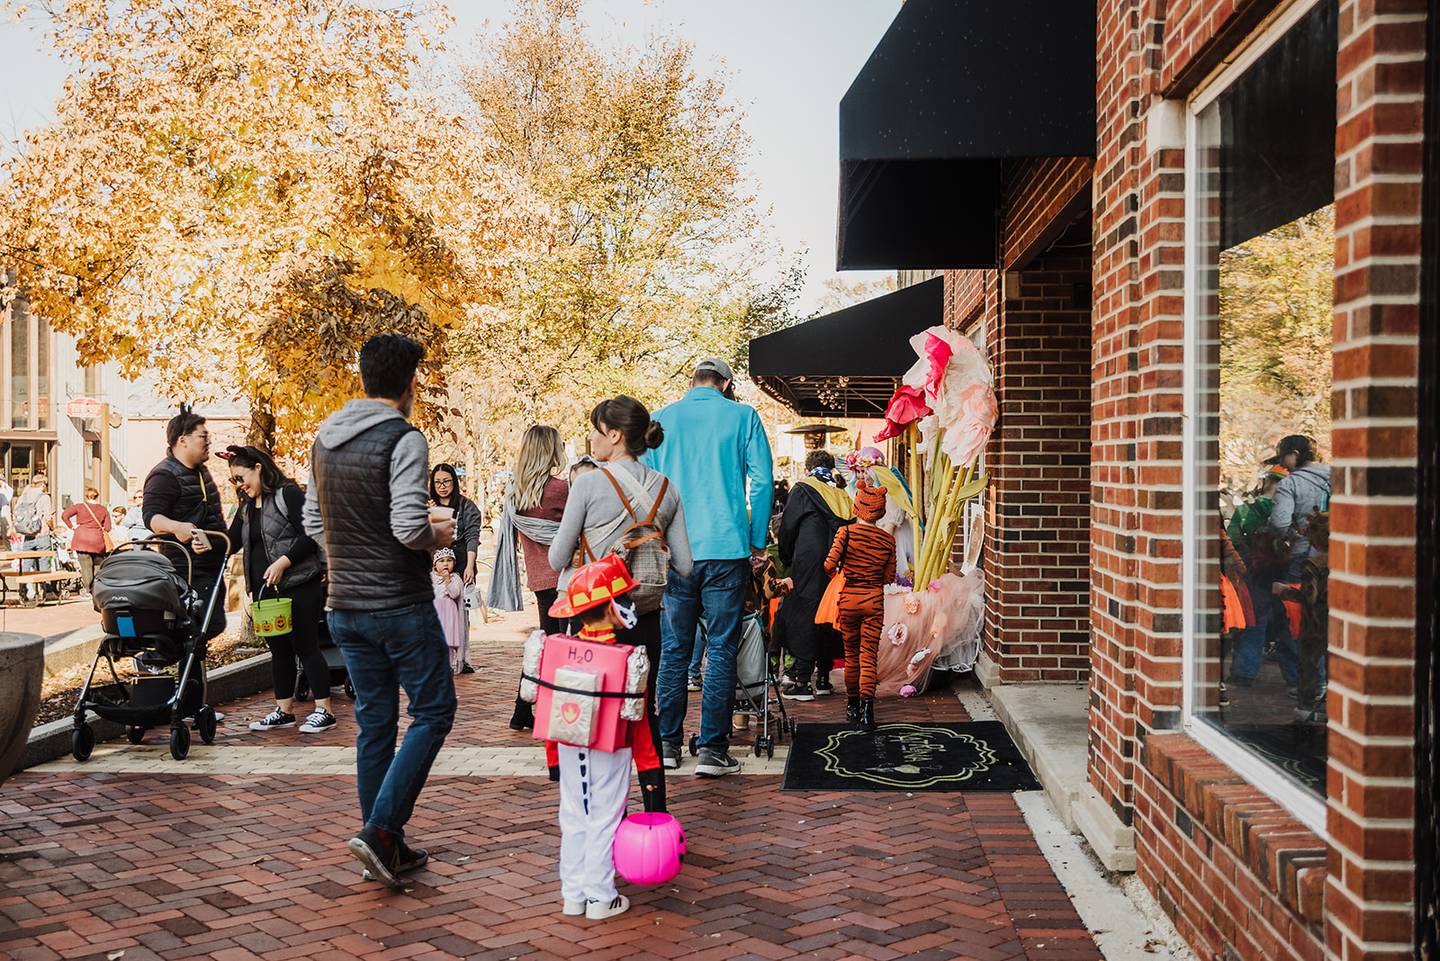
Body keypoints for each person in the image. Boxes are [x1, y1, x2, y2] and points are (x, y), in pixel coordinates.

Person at [303, 333, 457, 890]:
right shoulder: (404, 439)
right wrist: (439, 529)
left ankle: (383, 843)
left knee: (375, 724)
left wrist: (348, 557)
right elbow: (408, 527)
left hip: (345, 605)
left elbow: (314, 524)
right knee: (435, 711)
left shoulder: (324, 438)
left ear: (364, 378)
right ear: (409, 383)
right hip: (400, 604)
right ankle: (382, 829)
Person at [549, 396, 692, 782]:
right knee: (643, 713)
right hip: (644, 618)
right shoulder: (667, 488)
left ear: (614, 435)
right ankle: (653, 806)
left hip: (594, 621)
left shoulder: (588, 483)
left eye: (596, 431)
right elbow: (685, 564)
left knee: (589, 712)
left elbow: (557, 557)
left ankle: (600, 808)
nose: (592, 439)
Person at [645, 358, 773, 776]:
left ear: (692, 381)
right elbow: (763, 480)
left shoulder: (660, 419)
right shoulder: (743, 416)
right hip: (726, 547)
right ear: (727, 383)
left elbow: (645, 484)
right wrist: (756, 541)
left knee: (675, 649)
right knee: (720, 647)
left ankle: (666, 743)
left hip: (676, 549)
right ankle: (713, 751)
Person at [541, 555, 664, 921]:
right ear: (611, 609)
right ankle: (600, 896)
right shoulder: (628, 659)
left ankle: (573, 894)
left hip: (567, 742)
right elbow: (640, 722)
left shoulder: (560, 650)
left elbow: (550, 707)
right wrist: (650, 770)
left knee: (573, 814)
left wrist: (551, 758)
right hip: (613, 748)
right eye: (623, 599)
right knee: (605, 816)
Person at [224, 445, 335, 735]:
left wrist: (283, 563)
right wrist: (203, 541)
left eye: (241, 477)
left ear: (258, 468)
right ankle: (284, 711)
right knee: (279, 649)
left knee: (306, 645)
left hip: (299, 583)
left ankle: (324, 709)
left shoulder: (288, 494)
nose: (239, 484)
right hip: (266, 591)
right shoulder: (247, 507)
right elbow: (231, 540)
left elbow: (311, 533)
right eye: (234, 480)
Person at [493, 425, 569, 731]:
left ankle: (522, 708)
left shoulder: (516, 493)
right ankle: (554, 712)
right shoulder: (560, 489)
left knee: (548, 643)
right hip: (565, 579)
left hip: (539, 579)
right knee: (562, 648)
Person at [143, 409, 229, 638]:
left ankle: (185, 671)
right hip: (188, 568)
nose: (208, 441)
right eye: (202, 436)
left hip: (212, 565)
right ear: (183, 440)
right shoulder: (164, 475)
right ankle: (154, 656)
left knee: (200, 633)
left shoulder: (200, 470)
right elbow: (151, 517)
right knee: (204, 627)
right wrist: (177, 528)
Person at [776, 451, 853, 700]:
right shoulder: (841, 494)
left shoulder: (801, 489)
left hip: (807, 562)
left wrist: (786, 558)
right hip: (836, 561)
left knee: (804, 614)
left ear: (809, 467)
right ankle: (823, 677)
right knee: (829, 614)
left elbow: (787, 528)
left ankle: (802, 681)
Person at [824, 482, 896, 732]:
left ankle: (852, 704)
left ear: (857, 507)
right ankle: (868, 710)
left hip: (849, 598)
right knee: (869, 656)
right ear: (881, 512)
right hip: (874, 600)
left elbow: (828, 565)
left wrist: (842, 571)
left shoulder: (846, 533)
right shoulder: (888, 540)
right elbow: (889, 577)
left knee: (851, 655)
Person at [429, 463, 483, 589]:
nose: (442, 486)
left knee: (461, 604)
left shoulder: (467, 506)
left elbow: (472, 538)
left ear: (454, 481)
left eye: (446, 481)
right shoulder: (427, 505)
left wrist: (469, 567)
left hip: (461, 563)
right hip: (434, 567)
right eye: (437, 482)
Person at [61, 487, 113, 594]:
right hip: (97, 540)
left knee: (86, 566)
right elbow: (108, 528)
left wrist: (72, 526)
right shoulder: (103, 509)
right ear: (97, 496)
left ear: (86, 496)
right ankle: (97, 587)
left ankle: (88, 589)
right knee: (97, 565)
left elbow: (64, 515)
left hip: (81, 539)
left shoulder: (79, 507)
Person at [13, 473, 56, 601]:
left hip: (27, 535)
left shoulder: (24, 496)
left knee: (26, 563)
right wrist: (52, 528)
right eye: (46, 484)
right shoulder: (44, 497)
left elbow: (16, 512)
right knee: (44, 563)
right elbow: (48, 517)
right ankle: (45, 592)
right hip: (42, 534)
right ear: (43, 484)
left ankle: (22, 591)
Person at [432, 548, 467, 673]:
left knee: (448, 642)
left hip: (449, 614)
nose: (446, 564)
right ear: (435, 564)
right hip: (435, 613)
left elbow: (454, 594)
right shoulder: (431, 578)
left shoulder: (455, 578)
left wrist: (447, 580)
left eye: (449, 561)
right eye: (441, 561)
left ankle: (448, 666)